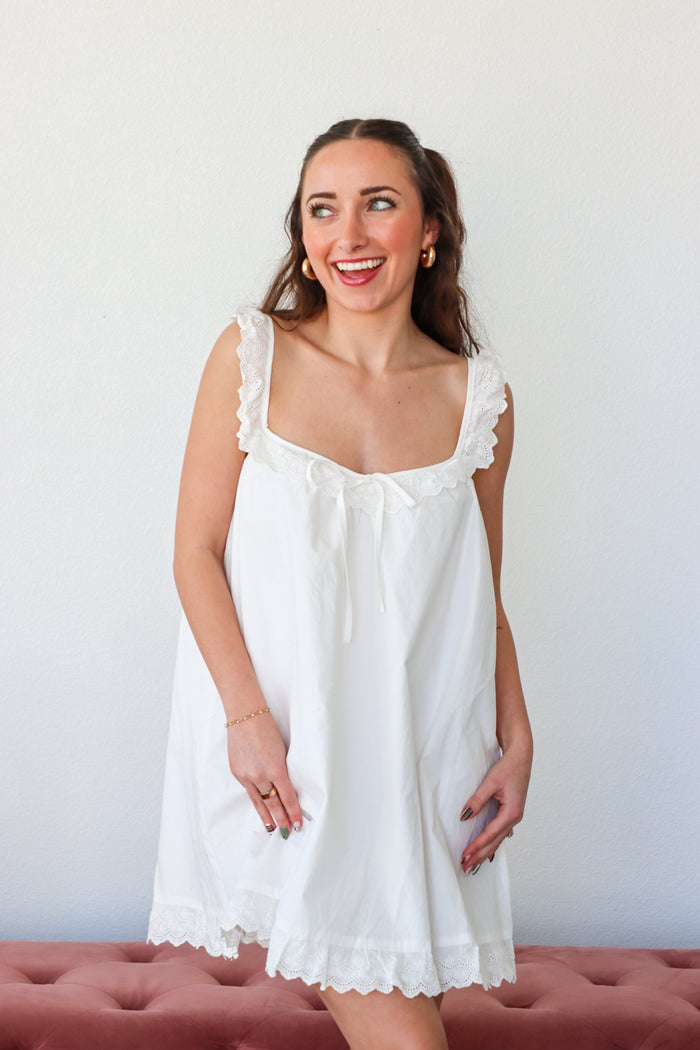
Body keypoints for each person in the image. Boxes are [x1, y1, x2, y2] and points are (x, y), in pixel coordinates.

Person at [148, 117, 533, 1050]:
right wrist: (245, 721)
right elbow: (194, 551)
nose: (349, 235)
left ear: (430, 227)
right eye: (325, 209)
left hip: (423, 762)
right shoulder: (251, 356)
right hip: (288, 762)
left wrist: (518, 735)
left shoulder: (477, 397)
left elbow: (478, 589)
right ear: (304, 236)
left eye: (380, 204)